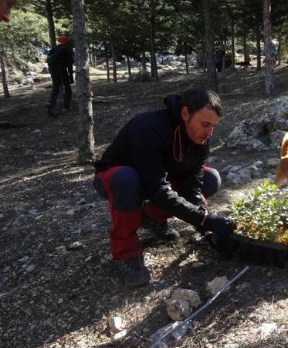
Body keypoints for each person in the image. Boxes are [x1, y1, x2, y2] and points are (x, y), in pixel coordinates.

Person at [93, 88, 236, 287]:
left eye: (213, 126)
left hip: (156, 179)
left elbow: (192, 187)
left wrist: (206, 228)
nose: (210, 133)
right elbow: (158, 189)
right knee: (127, 180)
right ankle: (125, 254)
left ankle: (152, 218)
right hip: (116, 179)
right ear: (185, 113)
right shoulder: (149, 128)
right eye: (205, 124)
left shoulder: (201, 138)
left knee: (210, 178)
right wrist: (205, 218)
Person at [46, 36, 74, 115]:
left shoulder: (54, 49)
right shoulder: (67, 50)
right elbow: (69, 65)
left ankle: (51, 104)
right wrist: (71, 76)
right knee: (67, 88)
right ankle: (66, 107)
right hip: (61, 68)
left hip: (52, 68)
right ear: (67, 42)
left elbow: (48, 59)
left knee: (56, 87)